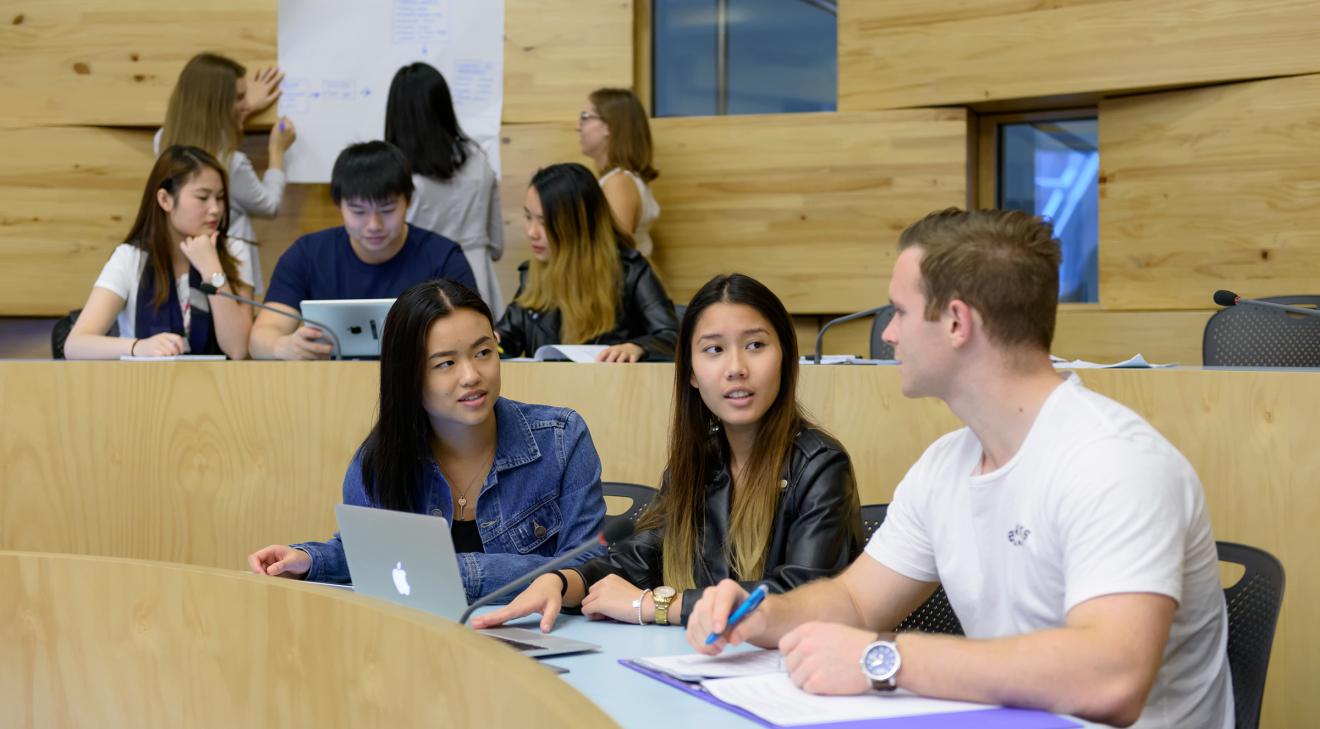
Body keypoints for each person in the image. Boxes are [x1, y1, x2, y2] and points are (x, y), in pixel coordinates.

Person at [686, 209, 1233, 728]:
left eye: (899, 312)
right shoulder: (945, 466)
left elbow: (1112, 678)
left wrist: (885, 659)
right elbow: (854, 601)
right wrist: (764, 617)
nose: (888, 334)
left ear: (955, 322)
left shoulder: (1114, 462)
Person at [474, 273, 862, 632]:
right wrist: (560, 582)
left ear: (786, 357)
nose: (736, 368)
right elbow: (639, 559)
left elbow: (801, 597)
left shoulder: (820, 465)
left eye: (755, 345)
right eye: (714, 349)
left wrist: (657, 606)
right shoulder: (698, 464)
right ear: (691, 372)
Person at [248, 279, 607, 601]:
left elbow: (590, 564)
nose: (471, 376)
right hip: (422, 646)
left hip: (540, 639)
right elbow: (372, 554)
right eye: (445, 363)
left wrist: (461, 573)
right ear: (408, 377)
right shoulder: (379, 460)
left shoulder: (561, 439)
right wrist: (309, 560)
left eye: (483, 353)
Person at [249, 141, 477, 360]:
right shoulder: (307, 255)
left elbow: (474, 335)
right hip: (331, 386)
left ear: (408, 201)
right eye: (358, 212)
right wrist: (284, 346)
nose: (374, 225)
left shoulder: (443, 257)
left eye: (387, 210)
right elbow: (260, 337)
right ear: (339, 204)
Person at [65, 145, 254, 360]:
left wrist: (212, 269)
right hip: (145, 387)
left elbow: (239, 350)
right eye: (203, 198)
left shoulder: (234, 251)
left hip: (220, 388)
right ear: (165, 200)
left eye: (220, 198)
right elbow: (76, 345)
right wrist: (139, 347)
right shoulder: (130, 258)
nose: (215, 209)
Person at [495, 162, 677, 362]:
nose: (531, 232)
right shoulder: (532, 276)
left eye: (545, 222)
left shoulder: (630, 272)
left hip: (612, 390)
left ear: (579, 225)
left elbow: (671, 337)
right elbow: (505, 337)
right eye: (528, 217)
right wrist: (489, 343)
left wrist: (638, 347)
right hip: (543, 392)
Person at [158, 52, 297, 295]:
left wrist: (240, 113)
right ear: (219, 104)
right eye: (240, 98)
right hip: (230, 267)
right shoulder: (231, 162)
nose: (247, 103)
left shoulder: (162, 139)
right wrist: (277, 151)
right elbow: (268, 205)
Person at [385, 62, 505, 316]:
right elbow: (497, 244)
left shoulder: (400, 174)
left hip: (419, 284)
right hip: (477, 278)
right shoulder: (479, 160)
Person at [577, 88, 660, 258]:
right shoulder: (616, 180)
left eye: (585, 117)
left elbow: (615, 255)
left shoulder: (618, 182)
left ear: (609, 126)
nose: (578, 127)